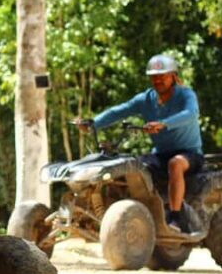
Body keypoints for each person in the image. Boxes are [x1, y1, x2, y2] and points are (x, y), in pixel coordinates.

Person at [82, 54, 204, 233]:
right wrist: (93, 123)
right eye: (154, 77)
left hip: (189, 153)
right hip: (159, 154)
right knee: (131, 167)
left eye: (162, 76)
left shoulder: (186, 94)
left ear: (173, 76)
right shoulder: (146, 99)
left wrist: (164, 123)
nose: (158, 80)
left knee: (175, 164)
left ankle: (176, 217)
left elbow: (191, 114)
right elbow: (119, 111)